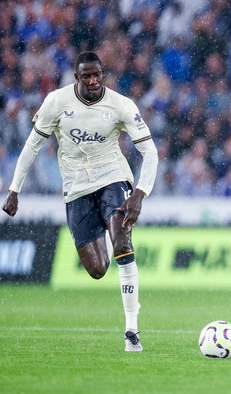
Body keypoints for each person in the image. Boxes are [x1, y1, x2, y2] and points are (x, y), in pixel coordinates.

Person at [2, 52, 158, 351]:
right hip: (76, 187)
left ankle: (131, 331)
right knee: (98, 269)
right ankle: (110, 233)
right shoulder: (56, 102)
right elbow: (33, 145)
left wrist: (140, 192)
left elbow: (150, 152)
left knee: (122, 243)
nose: (93, 81)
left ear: (104, 73)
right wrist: (14, 189)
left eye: (97, 75)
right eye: (86, 76)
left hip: (113, 176)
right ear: (77, 78)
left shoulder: (122, 105)